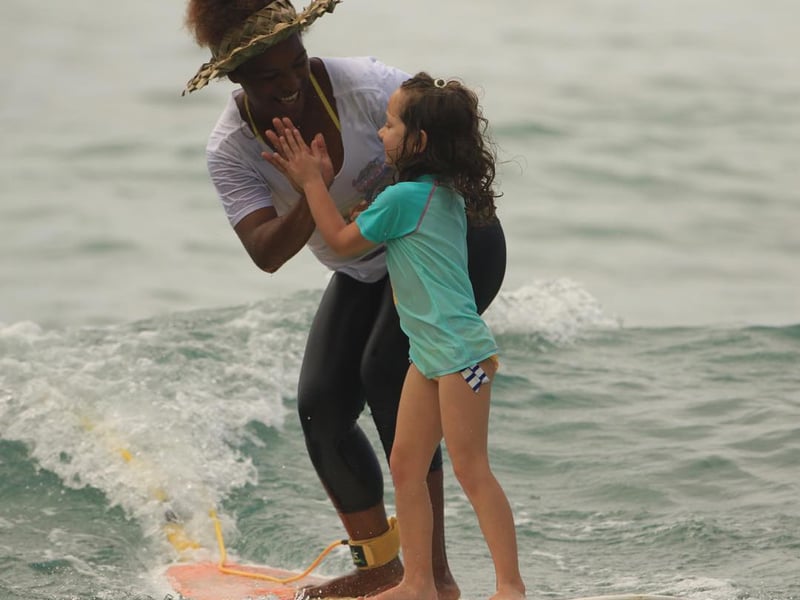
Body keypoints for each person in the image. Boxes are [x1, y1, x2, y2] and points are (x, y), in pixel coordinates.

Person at [183, 1, 507, 597]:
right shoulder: (231, 149)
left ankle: (433, 579)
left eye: (297, 63)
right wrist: (314, 187)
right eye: (270, 77)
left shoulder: (367, 85)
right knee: (322, 408)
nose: (291, 84)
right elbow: (265, 251)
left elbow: (450, 137)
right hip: (363, 264)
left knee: (385, 371)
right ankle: (382, 566)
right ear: (237, 78)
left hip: (458, 249)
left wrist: (398, 205)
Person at [265, 73, 525, 600]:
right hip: (429, 356)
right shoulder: (439, 193)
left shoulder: (405, 197)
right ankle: (418, 583)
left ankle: (510, 588)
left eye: (389, 124)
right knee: (406, 466)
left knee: (472, 470)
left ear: (418, 141)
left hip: (461, 357)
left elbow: (340, 243)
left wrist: (311, 181)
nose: (381, 133)